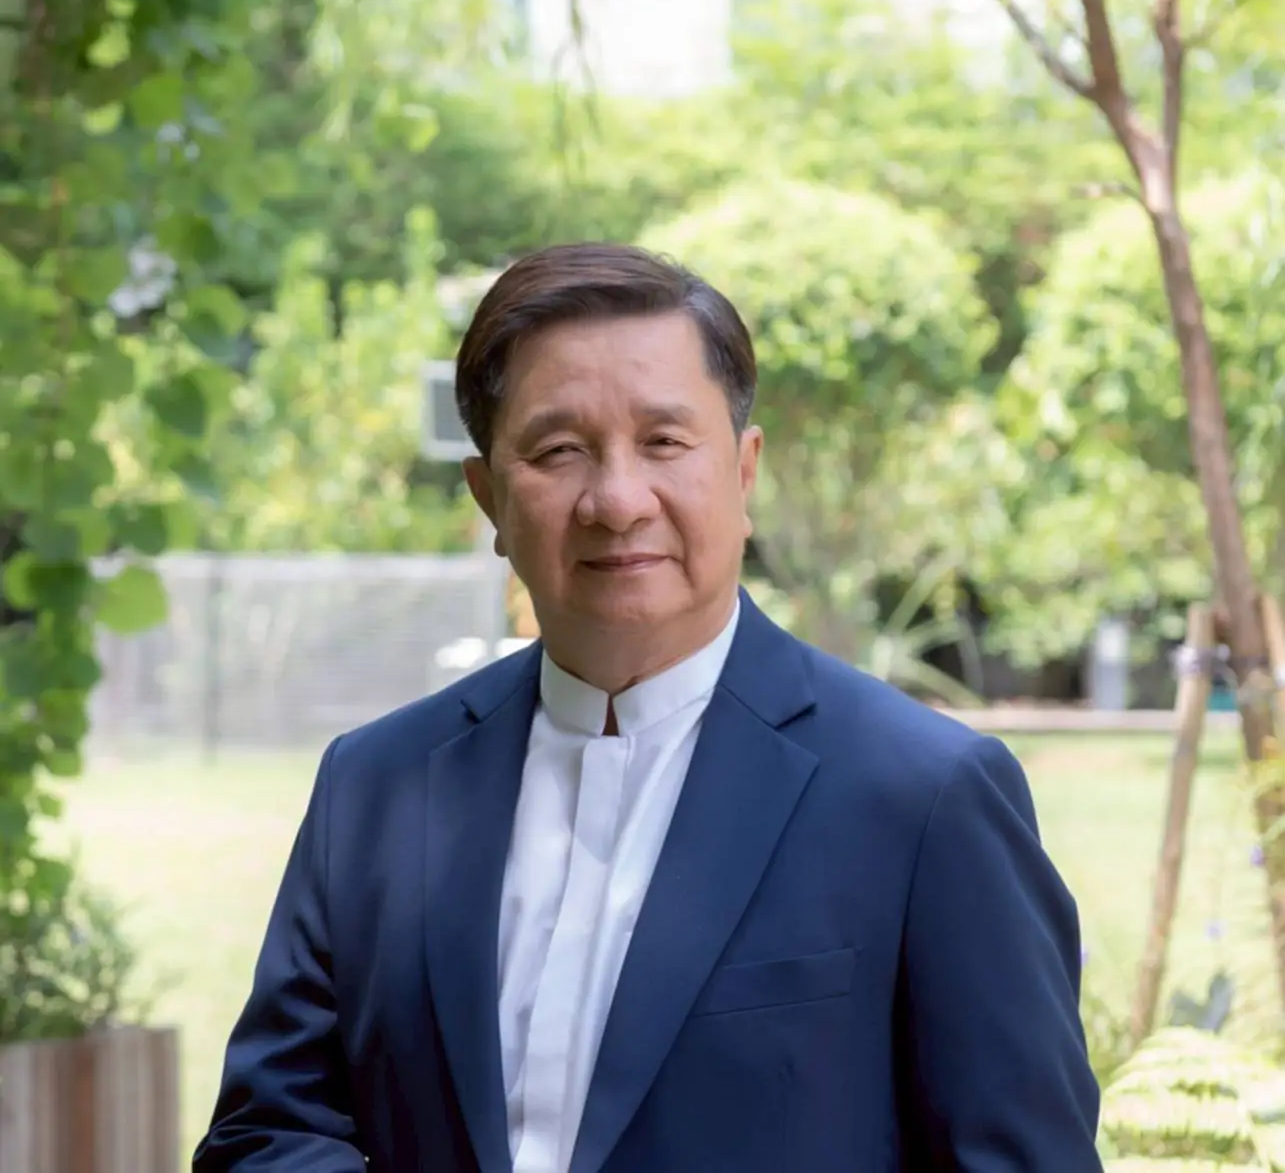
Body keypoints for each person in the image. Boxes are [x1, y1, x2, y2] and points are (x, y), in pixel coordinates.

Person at [194, 242, 1102, 1173]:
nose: (618, 500)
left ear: (743, 472)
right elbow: (267, 1133)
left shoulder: (923, 798)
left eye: (664, 442)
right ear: (489, 498)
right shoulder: (375, 788)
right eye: (558, 451)